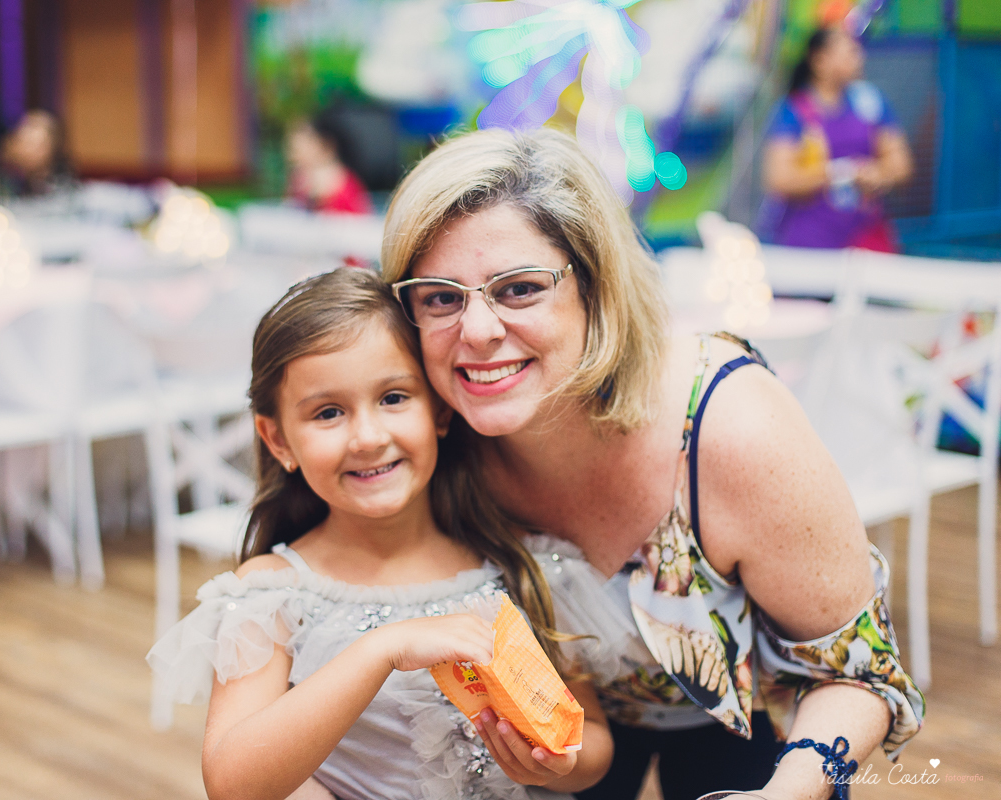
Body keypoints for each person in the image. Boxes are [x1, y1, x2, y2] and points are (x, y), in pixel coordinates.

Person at [380, 128, 925, 800]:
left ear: (596, 286)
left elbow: (862, 676)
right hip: (553, 737)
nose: (478, 330)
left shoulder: (728, 427)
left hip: (761, 730)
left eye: (519, 289)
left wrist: (788, 793)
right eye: (440, 296)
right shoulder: (424, 434)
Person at [148, 268, 627, 800]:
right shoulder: (270, 595)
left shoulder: (521, 565)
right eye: (329, 413)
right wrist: (381, 649)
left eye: (394, 398)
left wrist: (559, 762)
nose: (369, 437)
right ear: (278, 439)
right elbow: (232, 783)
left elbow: (597, 746)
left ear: (440, 408)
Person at [761, 26, 913, 252]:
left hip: (865, 237)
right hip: (810, 241)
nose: (859, 58)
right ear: (820, 60)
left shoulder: (868, 101)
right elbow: (779, 179)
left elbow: (901, 165)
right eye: (849, 52)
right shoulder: (794, 111)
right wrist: (839, 172)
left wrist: (878, 175)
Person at [285, 114, 373, 215]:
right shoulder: (300, 181)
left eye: (299, 151)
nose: (293, 157)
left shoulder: (344, 186)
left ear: (325, 146)